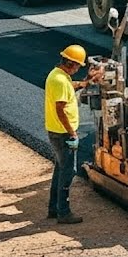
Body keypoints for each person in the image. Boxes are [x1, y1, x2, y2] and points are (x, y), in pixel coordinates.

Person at [45, 44, 102, 224]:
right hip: (63, 134)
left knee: (60, 169)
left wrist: (87, 81)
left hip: (56, 131)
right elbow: (60, 109)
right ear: (71, 63)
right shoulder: (60, 81)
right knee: (69, 171)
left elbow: (72, 86)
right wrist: (72, 133)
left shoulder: (58, 75)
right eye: (78, 66)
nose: (78, 68)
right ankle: (64, 212)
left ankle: (54, 208)